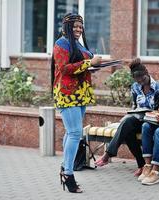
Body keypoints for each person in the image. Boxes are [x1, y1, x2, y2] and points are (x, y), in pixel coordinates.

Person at [51, 13, 102, 193]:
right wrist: (89, 62)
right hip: (67, 93)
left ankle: (65, 167)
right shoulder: (61, 44)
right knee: (75, 133)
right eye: (75, 27)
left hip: (80, 93)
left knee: (71, 132)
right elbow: (64, 68)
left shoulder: (77, 43)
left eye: (81, 27)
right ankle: (68, 173)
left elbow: (80, 65)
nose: (79, 30)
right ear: (67, 27)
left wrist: (93, 66)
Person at [95, 58, 159, 177]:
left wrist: (153, 113)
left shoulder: (158, 87)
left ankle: (108, 155)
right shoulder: (135, 87)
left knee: (127, 125)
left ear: (146, 72)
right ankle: (142, 166)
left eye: (142, 79)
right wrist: (131, 114)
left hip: (152, 121)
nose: (140, 82)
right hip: (138, 119)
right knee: (128, 129)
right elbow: (135, 106)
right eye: (137, 80)